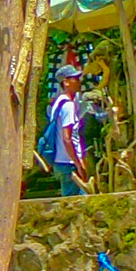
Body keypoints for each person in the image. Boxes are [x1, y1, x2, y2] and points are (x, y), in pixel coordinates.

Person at [43, 65, 88, 196]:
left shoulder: (58, 103)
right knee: (78, 202)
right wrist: (78, 163)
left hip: (61, 162)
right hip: (68, 164)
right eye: (75, 79)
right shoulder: (68, 105)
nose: (79, 82)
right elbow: (67, 139)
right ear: (66, 82)